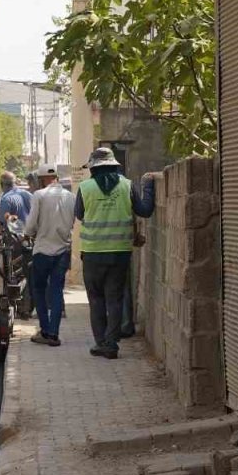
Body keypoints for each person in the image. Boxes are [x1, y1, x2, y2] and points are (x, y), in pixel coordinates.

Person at [75, 148, 155, 359]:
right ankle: (111, 344)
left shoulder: (85, 187)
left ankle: (101, 342)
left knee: (96, 300)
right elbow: (145, 210)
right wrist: (148, 186)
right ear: (115, 165)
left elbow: (80, 214)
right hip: (120, 253)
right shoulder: (127, 185)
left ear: (93, 168)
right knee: (114, 299)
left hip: (93, 253)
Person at [23, 165, 75, 347]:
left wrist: (28, 232)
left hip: (42, 250)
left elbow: (30, 226)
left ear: (42, 179)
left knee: (38, 289)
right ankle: (54, 333)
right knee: (56, 291)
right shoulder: (71, 196)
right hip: (62, 251)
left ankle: (45, 330)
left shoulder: (39, 195)